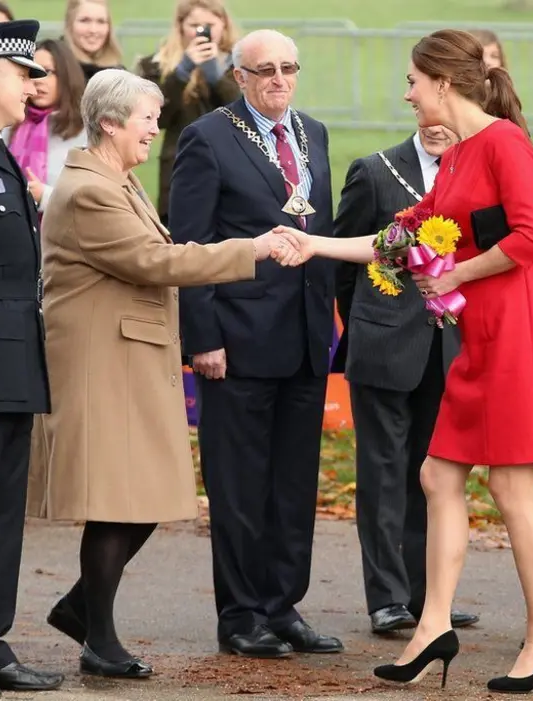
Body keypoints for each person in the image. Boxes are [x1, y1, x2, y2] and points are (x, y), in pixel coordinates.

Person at [274, 28, 533, 694]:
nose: (408, 94)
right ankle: (432, 626)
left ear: (444, 83)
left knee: (508, 489)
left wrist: (456, 276)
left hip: (516, 335)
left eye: (415, 82)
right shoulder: (457, 157)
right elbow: (398, 236)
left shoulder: (503, 143)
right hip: (479, 339)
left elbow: (532, 237)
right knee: (438, 475)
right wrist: (313, 245)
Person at [28, 68, 299, 678]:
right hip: (104, 364)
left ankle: (81, 609)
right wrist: (251, 248)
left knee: (145, 497)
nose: (157, 127)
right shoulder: (91, 189)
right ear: (110, 122)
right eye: (148, 117)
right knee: (118, 502)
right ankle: (98, 635)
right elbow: (153, 259)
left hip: (129, 359)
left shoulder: (113, 178)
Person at [169, 29, 342, 659]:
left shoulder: (313, 133)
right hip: (236, 341)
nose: (278, 79)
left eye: (288, 68)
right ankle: (241, 615)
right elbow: (189, 248)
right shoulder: (208, 138)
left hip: (303, 336)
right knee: (240, 485)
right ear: (239, 76)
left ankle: (282, 605)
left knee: (294, 483)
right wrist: (202, 338)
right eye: (264, 69)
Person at [333, 122, 478, 635]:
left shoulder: (473, 172)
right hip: (383, 348)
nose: (438, 125)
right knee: (383, 474)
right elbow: (344, 265)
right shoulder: (374, 171)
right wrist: (369, 327)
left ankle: (428, 595)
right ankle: (387, 598)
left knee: (436, 475)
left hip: (448, 346)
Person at [0, 20, 65, 701]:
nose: (33, 87)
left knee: (1, 510)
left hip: (10, 365)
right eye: (21, 74)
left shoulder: (2, 154)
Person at [137, 0, 240, 226]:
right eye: (194, 24)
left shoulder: (240, 65)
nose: (201, 30)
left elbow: (244, 112)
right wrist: (182, 72)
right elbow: (155, 118)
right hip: (180, 167)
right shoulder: (156, 65)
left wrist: (216, 77)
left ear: (223, 24)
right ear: (180, 26)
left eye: (209, 24)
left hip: (233, 166)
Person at [6, 39, 87, 215]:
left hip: (62, 235)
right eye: (33, 72)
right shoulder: (10, 123)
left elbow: (93, 199)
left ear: (66, 75)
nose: (39, 81)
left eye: (47, 72)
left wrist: (44, 196)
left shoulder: (86, 131)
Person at [63, 0, 124, 82]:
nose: (93, 30)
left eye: (101, 21)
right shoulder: (57, 69)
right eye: (85, 21)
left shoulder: (120, 75)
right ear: (69, 24)